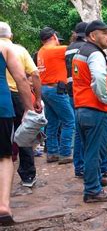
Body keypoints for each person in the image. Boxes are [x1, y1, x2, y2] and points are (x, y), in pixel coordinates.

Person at [72, 20, 107, 203]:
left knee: (88, 149)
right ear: (93, 36)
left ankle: (95, 181)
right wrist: (104, 98)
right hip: (96, 109)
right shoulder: (95, 54)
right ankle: (92, 191)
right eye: (104, 33)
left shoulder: (81, 51)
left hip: (82, 108)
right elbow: (99, 76)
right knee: (94, 151)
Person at [0, 22, 42, 187]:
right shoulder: (18, 50)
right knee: (24, 134)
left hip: (4, 97)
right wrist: (36, 100)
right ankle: (27, 176)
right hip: (17, 96)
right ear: (11, 35)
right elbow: (34, 75)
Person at [0, 26, 34, 224]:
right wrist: (28, 109)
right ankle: (3, 206)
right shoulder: (6, 47)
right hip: (2, 108)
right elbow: (21, 78)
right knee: (4, 157)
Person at [37, 27, 75, 164]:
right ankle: (65, 153)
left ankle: (52, 152)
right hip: (55, 90)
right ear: (54, 36)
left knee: (52, 122)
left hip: (45, 89)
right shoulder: (57, 50)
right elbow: (75, 49)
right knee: (69, 121)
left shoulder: (41, 52)